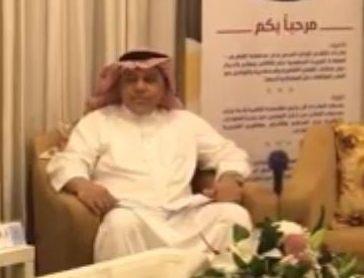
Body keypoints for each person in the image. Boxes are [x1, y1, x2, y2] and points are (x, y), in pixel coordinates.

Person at [47, 49, 252, 262]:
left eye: (150, 80)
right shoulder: (97, 122)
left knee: (233, 216)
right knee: (119, 225)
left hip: (184, 214)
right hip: (133, 215)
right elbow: (71, 159)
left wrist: (230, 177)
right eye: (131, 80)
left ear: (164, 87)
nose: (140, 87)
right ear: (119, 87)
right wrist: (82, 185)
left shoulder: (186, 122)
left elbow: (227, 152)